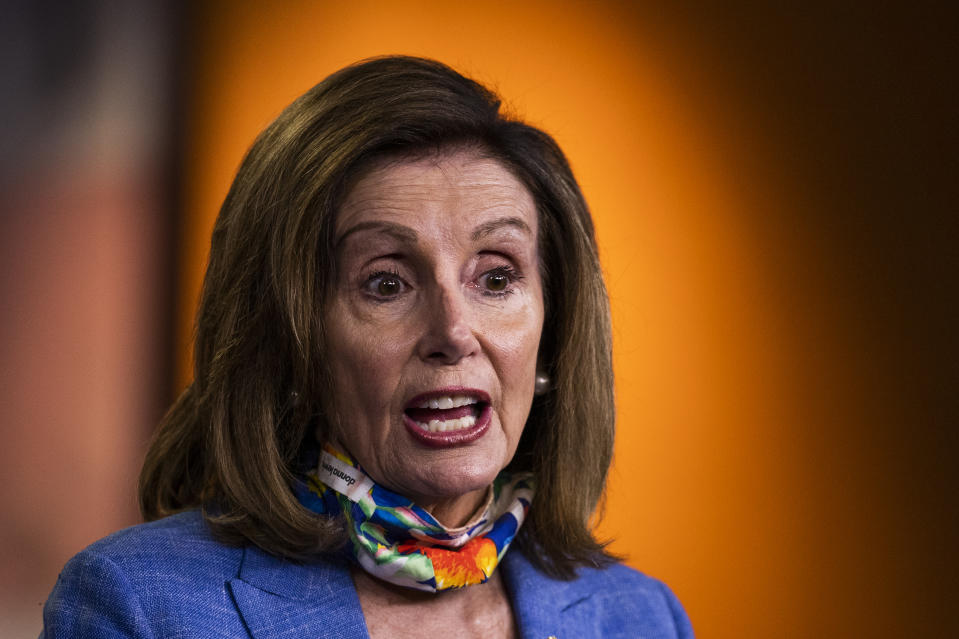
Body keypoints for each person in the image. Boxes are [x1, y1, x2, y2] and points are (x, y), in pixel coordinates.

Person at [41, 55, 693, 638]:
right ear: (289, 341)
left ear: (552, 340)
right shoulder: (139, 606)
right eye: (385, 283)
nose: (452, 332)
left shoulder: (640, 616)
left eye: (495, 277)